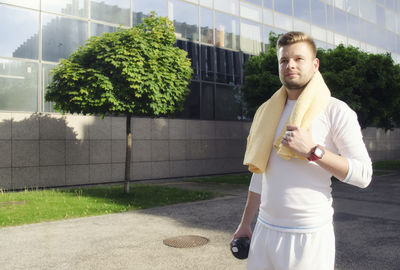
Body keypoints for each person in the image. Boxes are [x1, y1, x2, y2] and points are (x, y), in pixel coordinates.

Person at [232, 31, 372, 270]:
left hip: (308, 236)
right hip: (265, 231)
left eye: (299, 59)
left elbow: (363, 175)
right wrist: (245, 223)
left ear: (315, 64)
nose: (290, 65)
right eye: (284, 60)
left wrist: (312, 151)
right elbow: (261, 171)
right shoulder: (267, 111)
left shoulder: (335, 110)